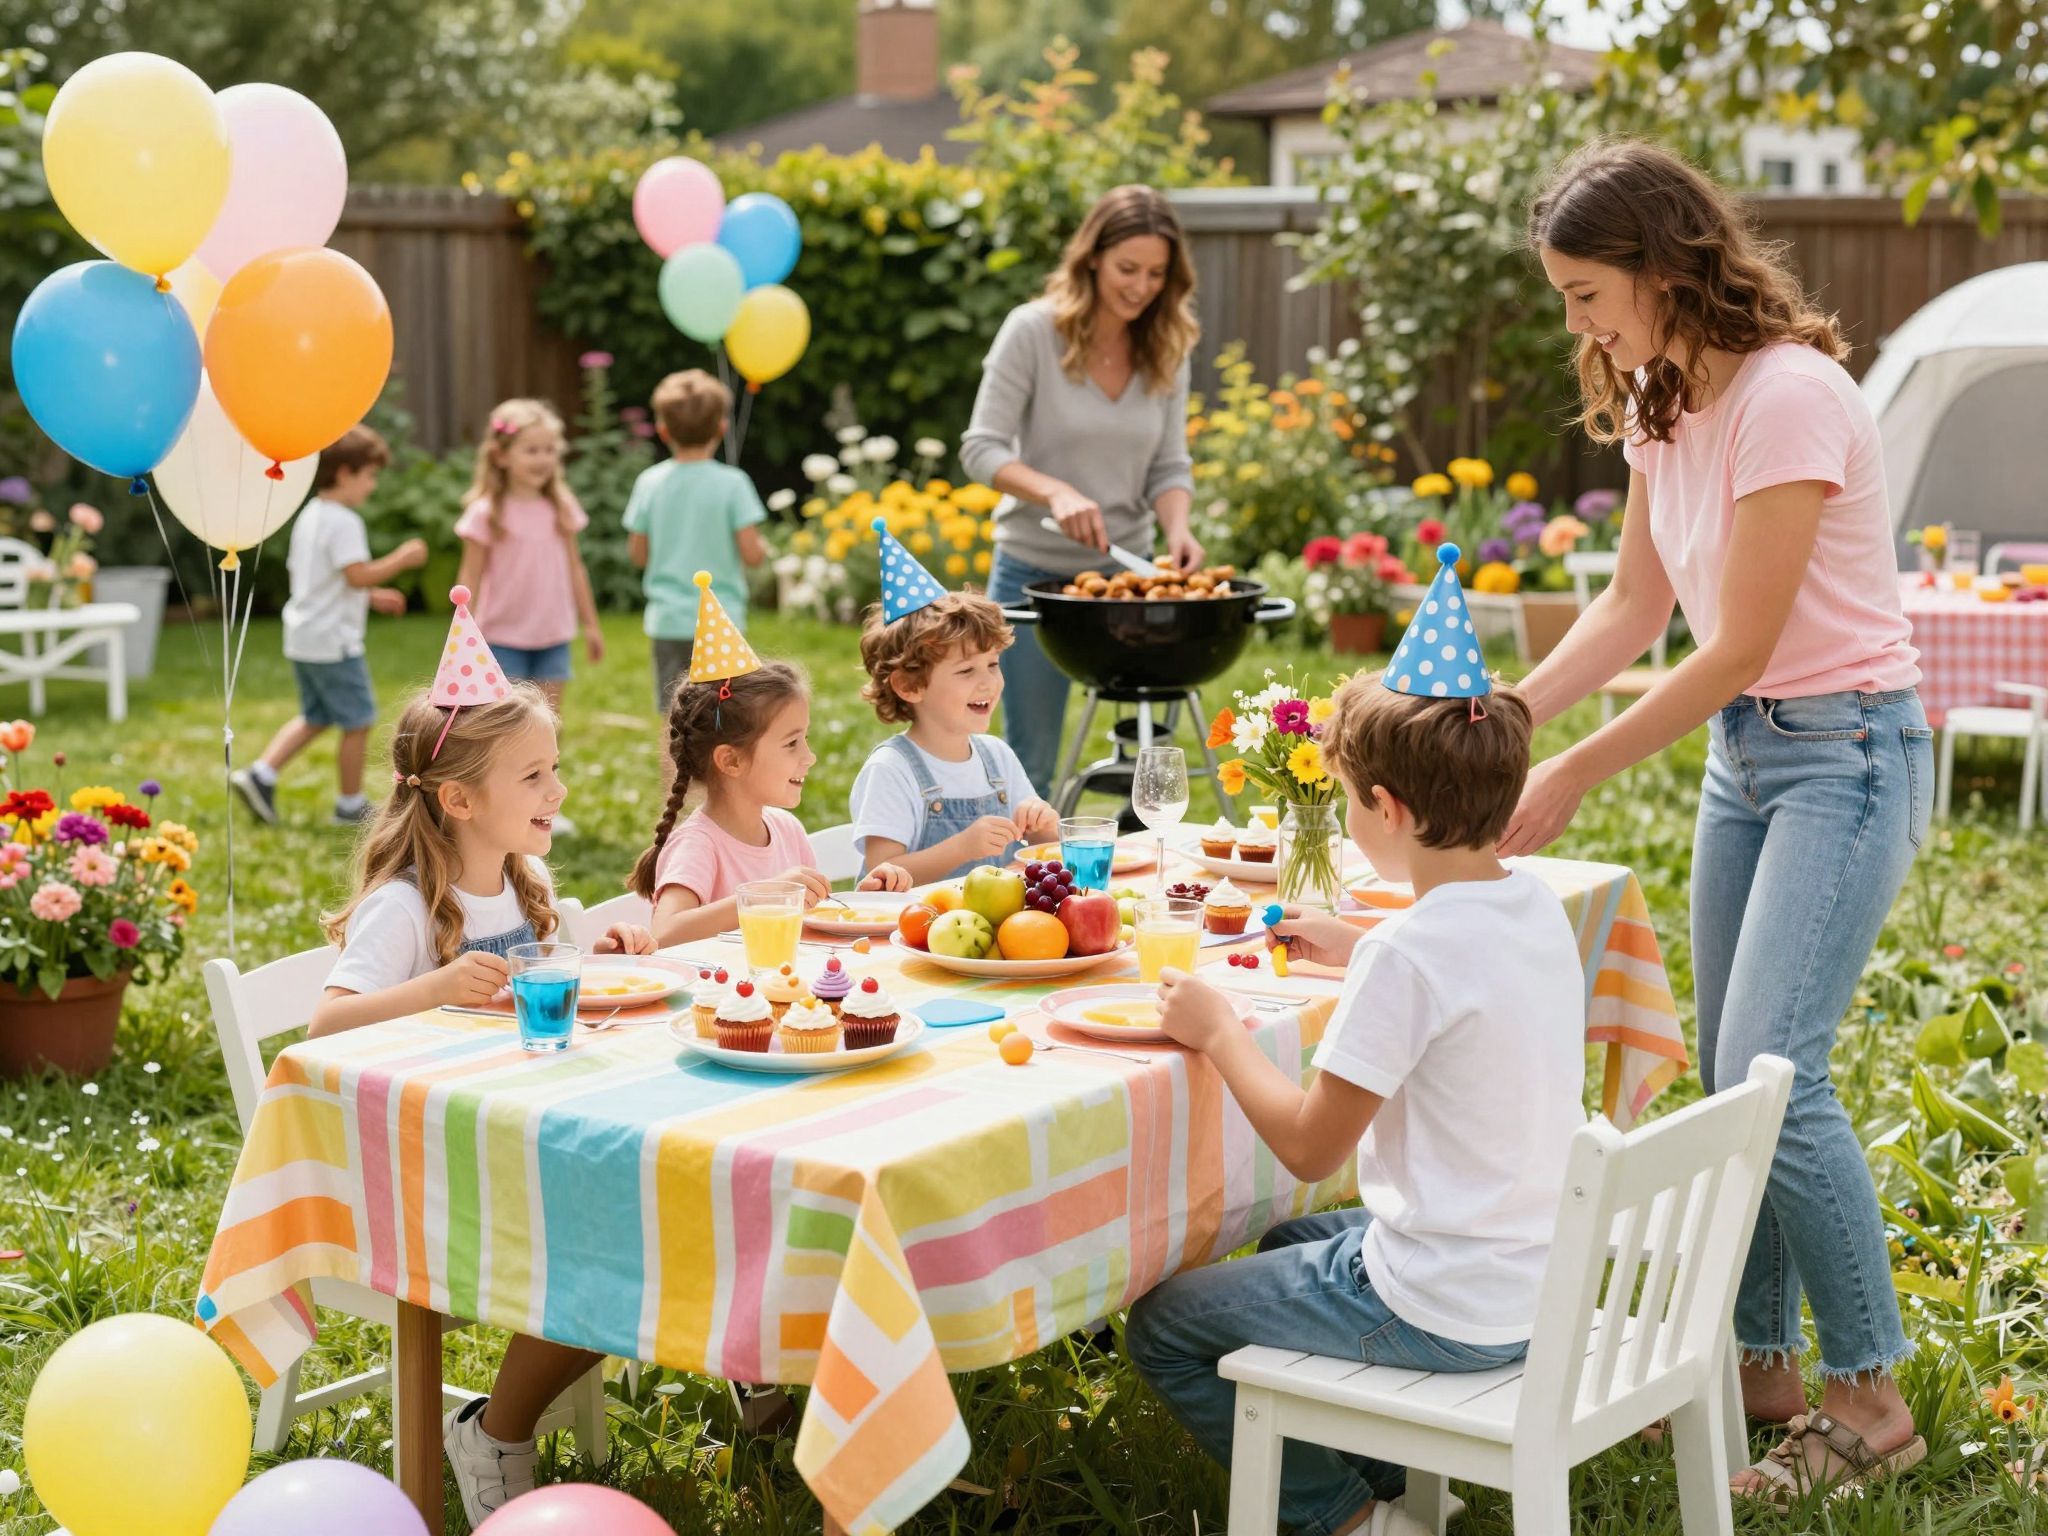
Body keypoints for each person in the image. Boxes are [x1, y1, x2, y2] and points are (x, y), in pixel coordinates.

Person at [1511, 139, 1930, 1502]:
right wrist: (1515, 713)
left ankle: (1869, 1396)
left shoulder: (1793, 399)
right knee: (1729, 1083)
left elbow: (1736, 644)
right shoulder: (1660, 396)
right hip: (1746, 764)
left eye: (1586, 293)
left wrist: (1573, 771)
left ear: (1659, 261)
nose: (1575, 321)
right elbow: (1636, 607)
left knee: (1778, 1077)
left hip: (1844, 750)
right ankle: (1756, 1368)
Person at [1130, 654, 1586, 1536]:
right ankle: (1409, 1469)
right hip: (1531, 1270)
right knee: (1290, 1235)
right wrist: (1365, 941)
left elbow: (1308, 1149)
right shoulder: (1531, 905)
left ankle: (1352, 1519)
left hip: (1449, 1307)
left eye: (1349, 800)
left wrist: (1220, 1031)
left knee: (1161, 1326)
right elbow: (1456, 966)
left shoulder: (1408, 956)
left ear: (1386, 810)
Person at [309, 672, 654, 1525]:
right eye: (533, 775)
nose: (559, 790)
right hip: (428, 1174)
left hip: (511, 1139)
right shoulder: (406, 905)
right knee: (617, 1244)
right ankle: (496, 1433)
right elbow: (326, 1022)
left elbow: (532, 1004)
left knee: (644, 1220)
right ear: (460, 798)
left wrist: (599, 956)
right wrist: (438, 988)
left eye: (555, 768)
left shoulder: (519, 882)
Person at [962, 184, 1204, 794]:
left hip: (1125, 586)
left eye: (1155, 273)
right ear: (1092, 256)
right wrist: (1056, 493)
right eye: (1127, 268)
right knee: (1029, 764)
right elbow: (981, 448)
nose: (1140, 286)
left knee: (1145, 772)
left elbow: (1169, 466)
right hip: (1033, 578)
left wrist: (1178, 531)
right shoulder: (1032, 332)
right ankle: (1019, 880)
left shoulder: (1169, 344)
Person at [627, 578, 909, 949]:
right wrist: (765, 896)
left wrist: (868, 897)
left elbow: (811, 919)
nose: (809, 757)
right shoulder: (698, 845)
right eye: (791, 743)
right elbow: (664, 933)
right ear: (730, 760)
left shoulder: (787, 830)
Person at [232, 425, 427, 827]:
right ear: (345, 474)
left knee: (317, 714)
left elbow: (326, 578)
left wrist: (373, 596)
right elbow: (355, 575)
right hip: (334, 642)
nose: (372, 486)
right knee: (358, 721)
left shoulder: (310, 515)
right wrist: (403, 558)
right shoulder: (343, 521)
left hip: (305, 636)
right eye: (369, 475)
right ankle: (350, 805)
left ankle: (261, 774)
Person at [850, 536, 1059, 883]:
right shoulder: (892, 770)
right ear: (909, 686)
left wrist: (1044, 825)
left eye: (992, 665)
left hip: (995, 930)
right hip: (912, 931)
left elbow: (1042, 848)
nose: (988, 682)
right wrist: (962, 847)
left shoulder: (997, 757)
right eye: (966, 670)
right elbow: (881, 872)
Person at [453, 400, 602, 834]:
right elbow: (470, 575)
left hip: (553, 635)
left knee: (547, 728)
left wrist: (590, 624)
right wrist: (462, 631)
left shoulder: (560, 507)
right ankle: (499, 805)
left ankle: (543, 806)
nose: (543, 459)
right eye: (531, 450)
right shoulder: (486, 512)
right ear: (502, 455)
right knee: (501, 730)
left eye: (549, 449)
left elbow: (576, 567)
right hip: (501, 639)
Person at [624, 369, 769, 714]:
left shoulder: (650, 482)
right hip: (722, 621)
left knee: (674, 711)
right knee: (725, 713)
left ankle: (672, 771)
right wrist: (764, 550)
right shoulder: (734, 483)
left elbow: (638, 554)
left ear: (663, 430)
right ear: (721, 428)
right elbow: (752, 555)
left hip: (668, 620)